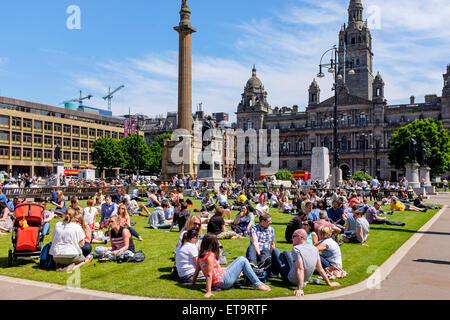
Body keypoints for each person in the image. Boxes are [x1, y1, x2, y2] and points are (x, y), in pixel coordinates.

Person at [190, 233, 271, 298]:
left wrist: (192, 283)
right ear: (213, 243)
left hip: (221, 276)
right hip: (223, 282)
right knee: (243, 260)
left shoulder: (201, 254)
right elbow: (208, 275)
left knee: (240, 259)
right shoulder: (210, 256)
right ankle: (257, 284)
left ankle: (257, 281)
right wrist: (208, 292)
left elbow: (197, 269)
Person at [271, 229, 340, 296]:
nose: (292, 239)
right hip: (305, 281)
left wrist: (300, 288)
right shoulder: (314, 248)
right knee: (286, 252)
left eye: (293, 236)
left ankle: (271, 272)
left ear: (300, 237)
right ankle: (271, 272)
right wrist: (329, 283)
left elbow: (300, 268)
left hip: (292, 280)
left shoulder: (296, 249)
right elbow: (320, 268)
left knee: (276, 251)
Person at [49, 208, 93, 272]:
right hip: (71, 255)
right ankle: (74, 266)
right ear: (75, 217)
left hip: (55, 256)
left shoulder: (57, 224)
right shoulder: (77, 227)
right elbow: (82, 244)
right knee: (85, 258)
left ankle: (61, 266)